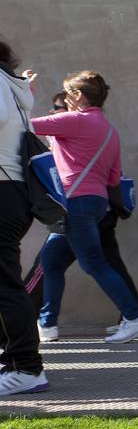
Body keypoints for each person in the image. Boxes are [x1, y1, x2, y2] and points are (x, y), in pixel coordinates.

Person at [33, 71, 138, 343]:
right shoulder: (109, 130)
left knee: (94, 264)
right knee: (51, 261)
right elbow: (113, 177)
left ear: (77, 96)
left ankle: (134, 317)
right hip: (96, 202)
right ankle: (47, 325)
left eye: (67, 93)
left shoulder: (74, 120)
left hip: (75, 202)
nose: (64, 98)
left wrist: (24, 92)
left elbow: (26, 125)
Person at [0, 40, 47, 394]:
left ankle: (28, 369)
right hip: (14, 193)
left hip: (3, 193)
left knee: (6, 285)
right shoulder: (13, 87)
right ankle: (13, 362)